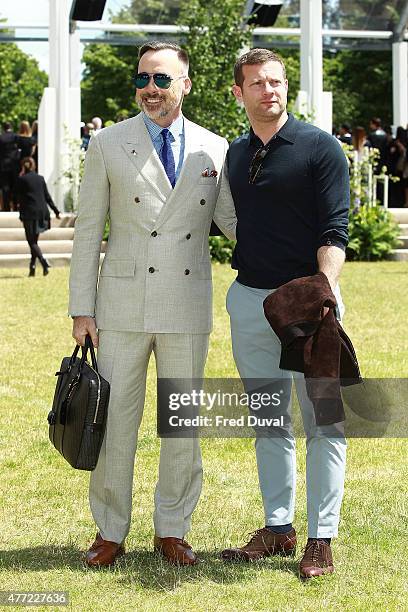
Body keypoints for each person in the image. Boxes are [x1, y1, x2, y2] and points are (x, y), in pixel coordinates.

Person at [68, 41, 236, 568]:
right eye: (142, 80)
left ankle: (172, 530)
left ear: (186, 85)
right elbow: (88, 230)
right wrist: (81, 309)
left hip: (186, 303)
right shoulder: (107, 142)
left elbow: (234, 223)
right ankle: (110, 531)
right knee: (114, 421)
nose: (150, 90)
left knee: (181, 424)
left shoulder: (217, 147)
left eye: (162, 80)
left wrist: (295, 248)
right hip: (119, 303)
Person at [218, 48, 350, 579]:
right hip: (249, 302)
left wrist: (325, 288)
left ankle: (320, 537)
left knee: (324, 423)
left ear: (286, 87)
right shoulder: (234, 154)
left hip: (307, 304)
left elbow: (334, 230)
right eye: (257, 83)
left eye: (276, 82)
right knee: (269, 422)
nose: (269, 90)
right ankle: (278, 526)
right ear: (239, 93)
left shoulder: (321, 148)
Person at [15, 157, 60, 276]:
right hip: (42, 212)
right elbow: (47, 196)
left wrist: (20, 214)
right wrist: (56, 211)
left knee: (32, 242)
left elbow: (19, 198)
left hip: (29, 213)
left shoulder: (22, 179)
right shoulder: (40, 178)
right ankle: (32, 268)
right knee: (34, 241)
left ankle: (44, 262)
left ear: (23, 166)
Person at [0, 121, 19, 211]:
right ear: (11, 127)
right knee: (15, 185)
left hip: (3, 165)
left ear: (3, 128)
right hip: (14, 164)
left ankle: (6, 207)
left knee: (5, 186)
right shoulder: (15, 137)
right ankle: (15, 206)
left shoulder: (1, 138)